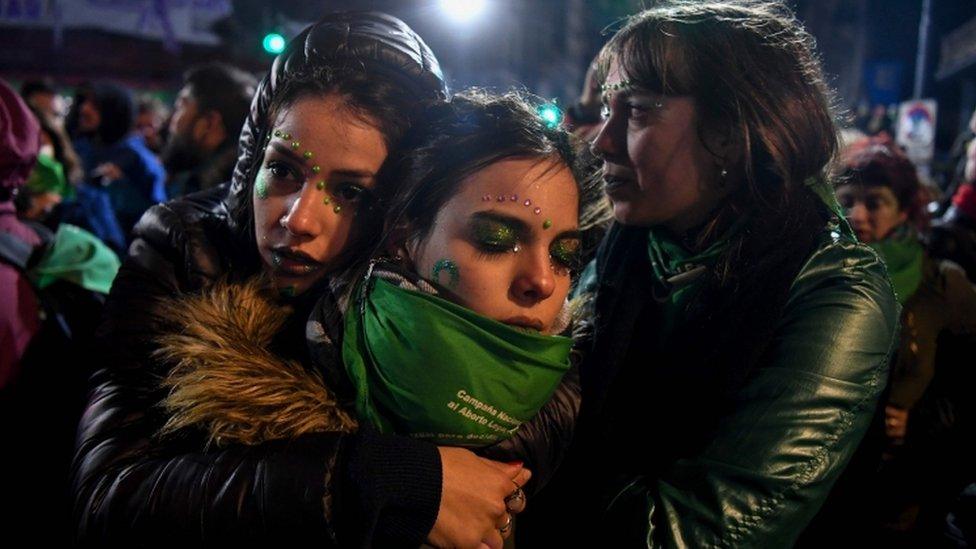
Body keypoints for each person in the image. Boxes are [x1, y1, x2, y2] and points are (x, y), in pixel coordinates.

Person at [71, 13, 534, 548]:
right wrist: (361, 480)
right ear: (254, 157)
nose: (299, 220)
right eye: (286, 170)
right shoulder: (181, 245)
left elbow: (530, 429)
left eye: (352, 192)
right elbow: (108, 497)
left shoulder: (430, 281)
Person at [519, 2, 900, 547]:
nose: (602, 141)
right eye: (608, 108)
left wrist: (513, 488)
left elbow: (709, 531)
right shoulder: (627, 241)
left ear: (730, 131)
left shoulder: (835, 293)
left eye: (639, 111)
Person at [149, 92, 604, 523]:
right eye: (496, 240)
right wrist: (381, 487)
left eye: (564, 255)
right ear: (402, 238)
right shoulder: (253, 392)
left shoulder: (587, 416)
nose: (542, 281)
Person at [835, 139, 976, 543]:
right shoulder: (818, 277)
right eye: (847, 200)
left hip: (901, 502)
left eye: (874, 202)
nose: (857, 215)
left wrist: (920, 421)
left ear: (903, 210)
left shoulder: (942, 286)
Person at [162, 63, 257, 197]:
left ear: (209, 123)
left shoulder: (201, 197)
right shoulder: (247, 183)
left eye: (181, 106)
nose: (172, 120)